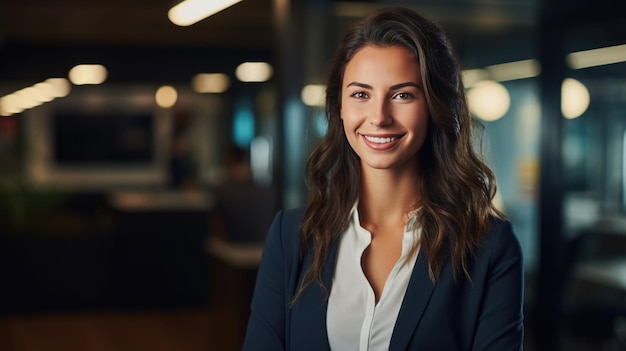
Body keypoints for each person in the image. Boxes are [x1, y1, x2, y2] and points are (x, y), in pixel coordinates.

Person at [242, 6, 524, 350]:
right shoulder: (291, 238)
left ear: (435, 105)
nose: (378, 117)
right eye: (361, 94)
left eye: (402, 95)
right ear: (340, 108)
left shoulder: (489, 247)